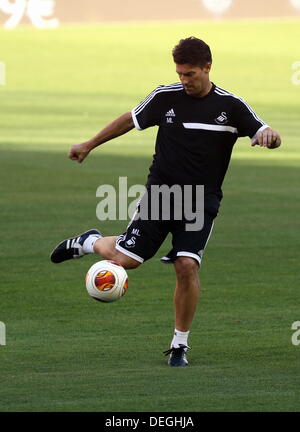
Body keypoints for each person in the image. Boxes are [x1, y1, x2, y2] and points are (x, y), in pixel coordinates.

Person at [50, 37, 281, 367]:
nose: (184, 80)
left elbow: (265, 131)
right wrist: (89, 144)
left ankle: (179, 345)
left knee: (186, 264)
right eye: (180, 73)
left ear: (207, 67)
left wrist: (269, 137)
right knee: (124, 260)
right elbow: (129, 119)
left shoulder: (231, 106)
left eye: (190, 74)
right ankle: (90, 242)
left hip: (201, 203)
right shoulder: (165, 96)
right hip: (161, 196)